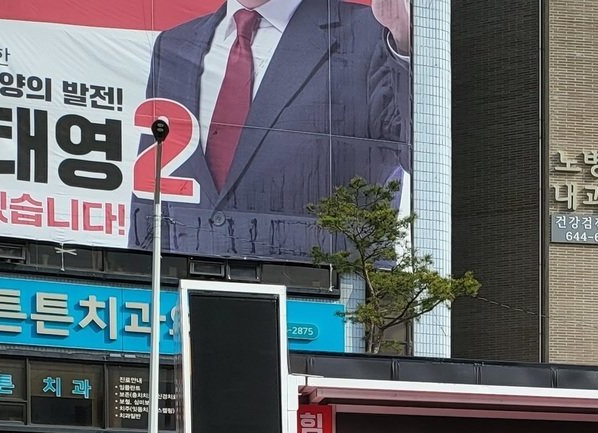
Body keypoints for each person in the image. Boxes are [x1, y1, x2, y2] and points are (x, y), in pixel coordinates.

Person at [133, 2, 410, 259]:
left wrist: (404, 43)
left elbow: (422, 159)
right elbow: (151, 192)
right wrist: (129, 283)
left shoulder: (374, 34)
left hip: (322, 298)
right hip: (183, 295)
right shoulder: (174, 46)